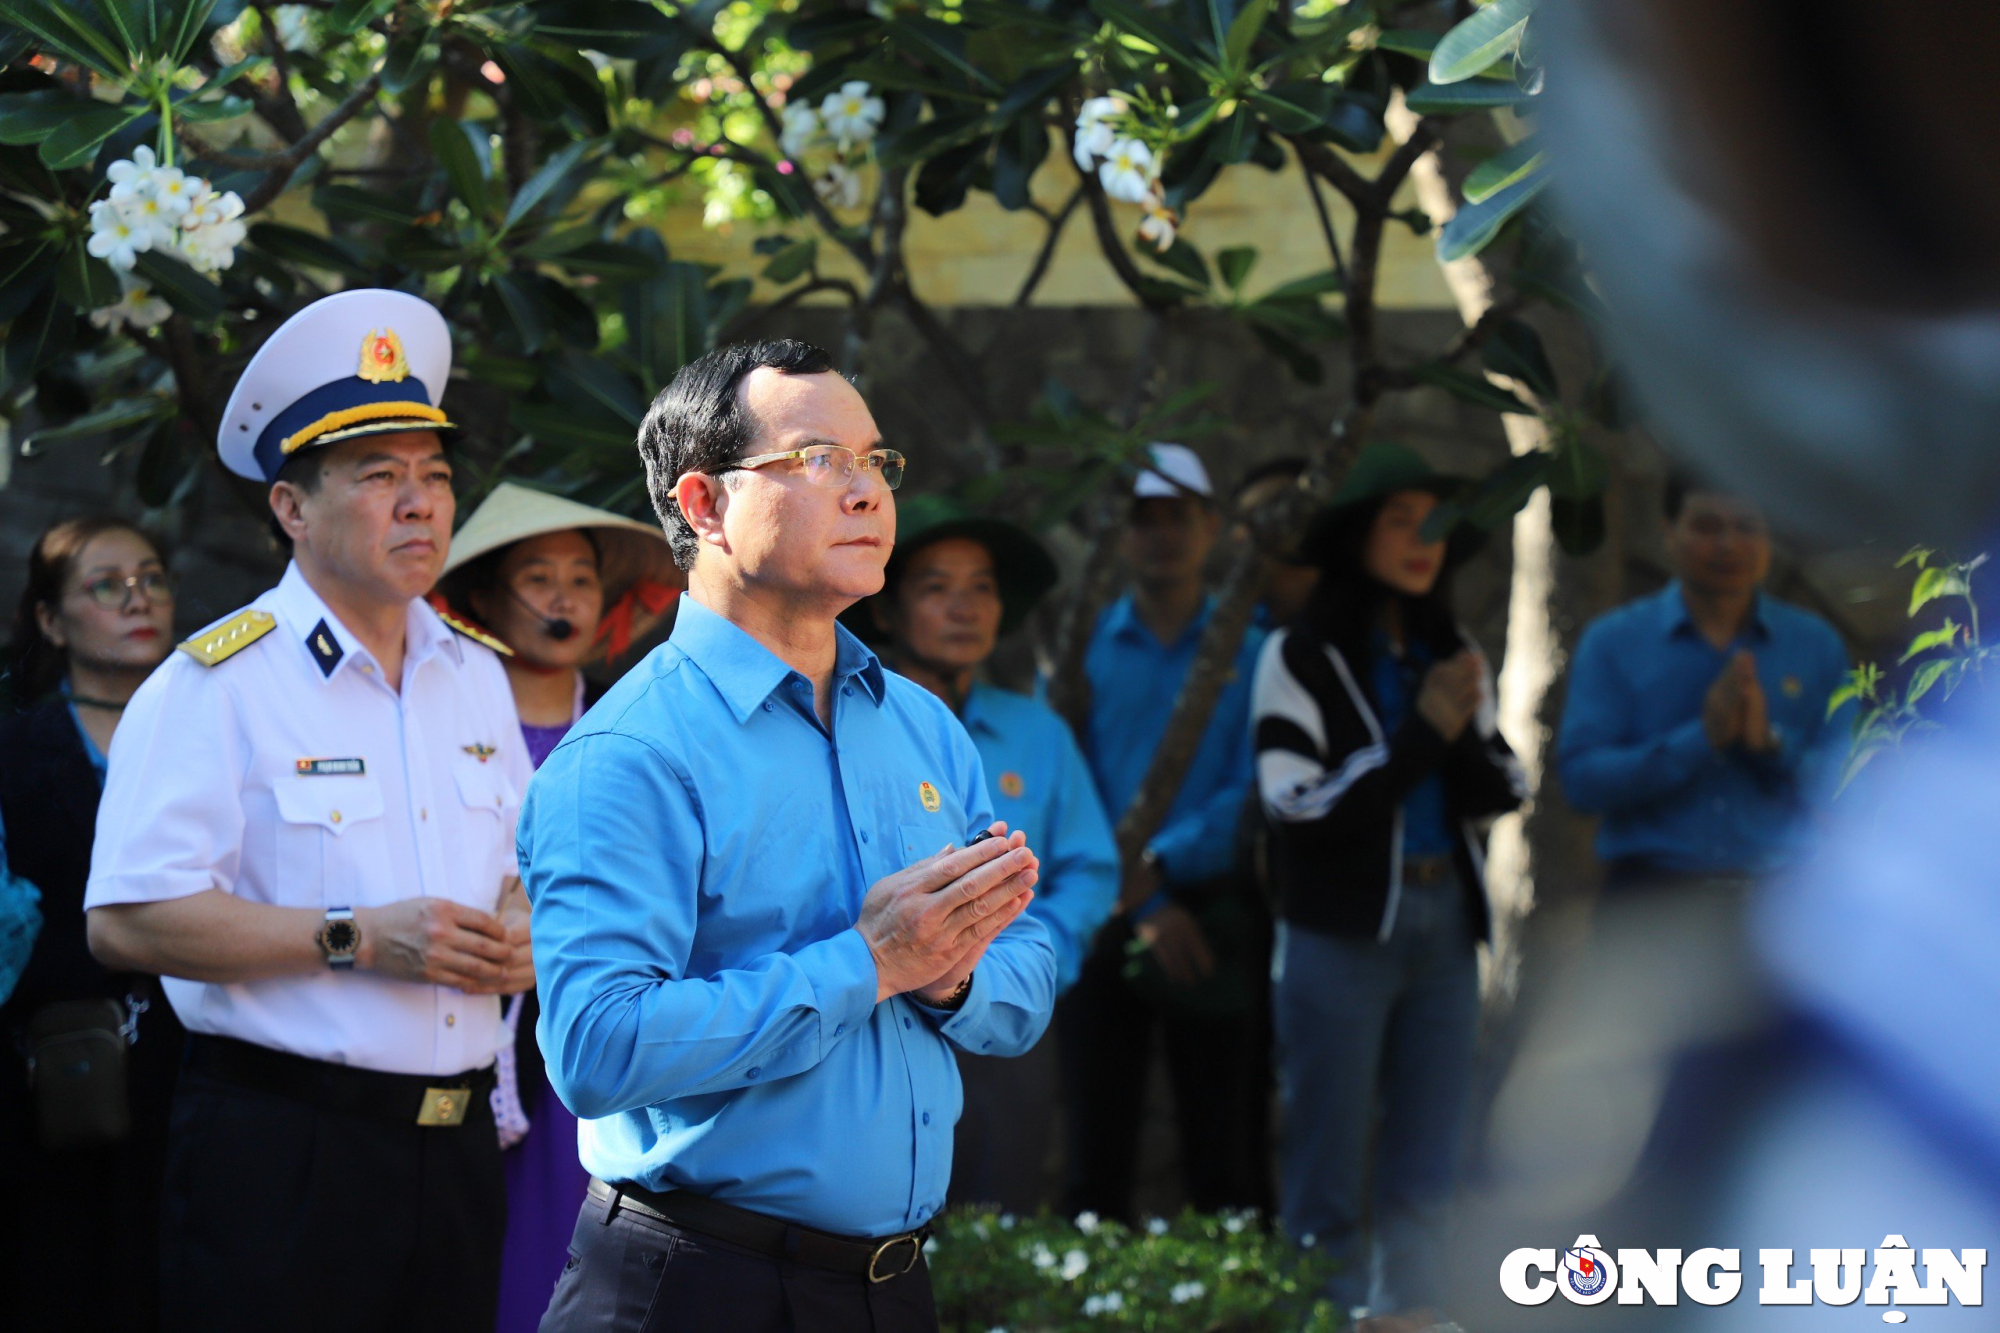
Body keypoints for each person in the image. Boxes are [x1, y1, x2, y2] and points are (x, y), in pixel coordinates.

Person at [522, 339, 1057, 1333]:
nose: (865, 492)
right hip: (693, 1281)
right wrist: (870, 961)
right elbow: (596, 1044)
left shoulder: (922, 725)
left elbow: (1022, 969)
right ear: (702, 504)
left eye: (875, 461)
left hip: (891, 1287)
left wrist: (949, 975)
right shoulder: (628, 753)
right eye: (818, 459)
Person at [82, 290, 536, 1333]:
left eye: (433, 476)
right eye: (379, 476)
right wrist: (358, 938)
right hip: (286, 1145)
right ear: (291, 507)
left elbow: (525, 861)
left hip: (458, 1145)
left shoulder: (471, 673)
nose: (418, 503)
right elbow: (124, 921)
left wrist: (524, 931)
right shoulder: (216, 684)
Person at [1249, 442, 1526, 1329]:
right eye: (1401, 520)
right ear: (1357, 535)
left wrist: (1452, 728)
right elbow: (1296, 802)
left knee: (1432, 1152)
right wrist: (1421, 734)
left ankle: (1418, 1312)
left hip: (1447, 921)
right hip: (1339, 932)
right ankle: (1322, 1315)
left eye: (1435, 523)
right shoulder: (1298, 655)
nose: (1424, 539)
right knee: (1326, 1155)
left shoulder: (1455, 648)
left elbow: (1506, 782)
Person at [431, 482, 680, 1333]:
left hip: (588, 1036)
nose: (565, 595)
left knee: (566, 1244)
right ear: (482, 597)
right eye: (538, 576)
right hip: (449, 1017)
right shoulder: (431, 720)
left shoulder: (635, 729)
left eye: (582, 576)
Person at [849, 494, 1119, 1213]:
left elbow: (1091, 867)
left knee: (1002, 1218)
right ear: (885, 608)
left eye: (982, 588)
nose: (963, 606)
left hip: (1005, 1019)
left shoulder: (1038, 733)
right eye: (936, 587)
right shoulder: (846, 722)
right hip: (875, 1016)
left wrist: (1036, 959)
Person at [1059, 441, 1267, 1222]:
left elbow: (1253, 786)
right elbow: (1062, 781)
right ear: (1120, 534)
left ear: (1211, 526)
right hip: (1099, 917)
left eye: (1177, 516)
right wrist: (1137, 893)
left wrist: (1157, 869)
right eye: (1144, 518)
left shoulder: (1250, 653)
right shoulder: (1080, 656)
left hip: (1212, 911)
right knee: (1092, 1150)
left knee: (1224, 1146)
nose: (1161, 534)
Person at [0, 516, 185, 1333]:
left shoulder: (213, 734)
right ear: (49, 618)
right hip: (48, 1082)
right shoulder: (15, 749)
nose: (138, 598)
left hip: (196, 1079)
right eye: (107, 585)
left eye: (151, 577)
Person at [1556, 474, 1851, 889]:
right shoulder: (1615, 641)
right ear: (1669, 532)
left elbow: (1850, 780)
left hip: (1781, 895)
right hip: (1649, 898)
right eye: (1707, 527)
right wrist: (1699, 738)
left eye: (1746, 526)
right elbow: (1582, 783)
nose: (1727, 544)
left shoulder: (1816, 645)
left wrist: (1770, 743)